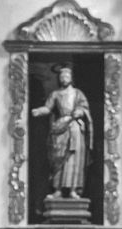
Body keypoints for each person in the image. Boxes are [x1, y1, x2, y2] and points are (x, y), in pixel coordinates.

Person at [30, 63, 93, 199]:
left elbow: (84, 107)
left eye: (67, 75)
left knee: (74, 158)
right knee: (58, 158)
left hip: (75, 128)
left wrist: (80, 111)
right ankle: (57, 189)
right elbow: (48, 108)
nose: (64, 78)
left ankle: (73, 190)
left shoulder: (78, 93)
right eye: (62, 76)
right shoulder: (56, 94)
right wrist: (39, 111)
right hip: (60, 127)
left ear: (71, 77)